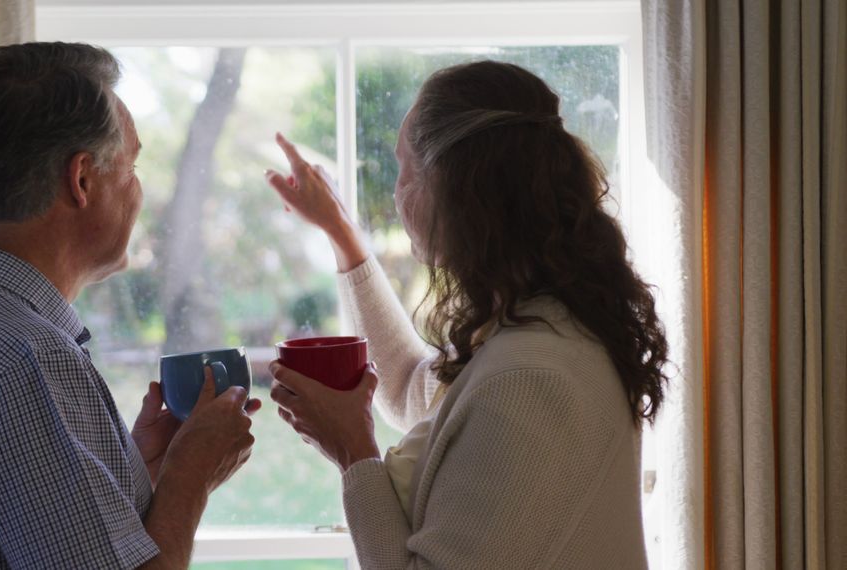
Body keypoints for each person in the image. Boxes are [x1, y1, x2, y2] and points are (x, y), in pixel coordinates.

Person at [0, 42, 260, 569]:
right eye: (131, 168)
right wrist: (189, 478)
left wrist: (137, 474)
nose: (138, 193)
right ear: (82, 179)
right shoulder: (22, 363)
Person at [265, 60, 668, 569]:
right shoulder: (535, 322)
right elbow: (415, 392)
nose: (395, 194)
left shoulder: (527, 377)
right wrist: (343, 236)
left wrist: (352, 450)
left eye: (405, 170)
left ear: (456, 186)